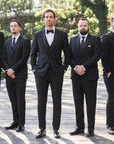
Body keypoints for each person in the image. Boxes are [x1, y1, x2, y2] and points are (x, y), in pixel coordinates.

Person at [30, 9, 71, 139]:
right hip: (40, 73)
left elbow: (67, 53)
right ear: (44, 19)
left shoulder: (62, 34)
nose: (49, 19)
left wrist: (64, 68)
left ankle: (56, 129)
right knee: (41, 102)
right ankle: (42, 129)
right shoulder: (37, 34)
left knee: (57, 101)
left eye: (51, 17)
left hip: (56, 73)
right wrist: (34, 69)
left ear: (54, 19)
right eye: (46, 17)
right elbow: (33, 53)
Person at [69, 18, 101, 137]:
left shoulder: (95, 39)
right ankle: (79, 127)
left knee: (90, 103)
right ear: (78, 27)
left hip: (90, 76)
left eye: (85, 25)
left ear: (89, 27)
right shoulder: (72, 39)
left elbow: (97, 56)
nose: (83, 27)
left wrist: (84, 67)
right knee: (78, 103)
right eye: (81, 25)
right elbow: (69, 56)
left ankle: (91, 129)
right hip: (76, 76)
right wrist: (76, 67)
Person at [2, 19, 31, 132]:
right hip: (9, 75)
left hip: (20, 75)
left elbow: (24, 58)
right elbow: (3, 58)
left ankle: (21, 123)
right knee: (13, 100)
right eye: (11, 26)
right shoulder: (6, 42)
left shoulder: (25, 41)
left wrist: (13, 70)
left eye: (15, 26)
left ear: (19, 27)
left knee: (20, 99)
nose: (13, 27)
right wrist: (8, 70)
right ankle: (15, 121)